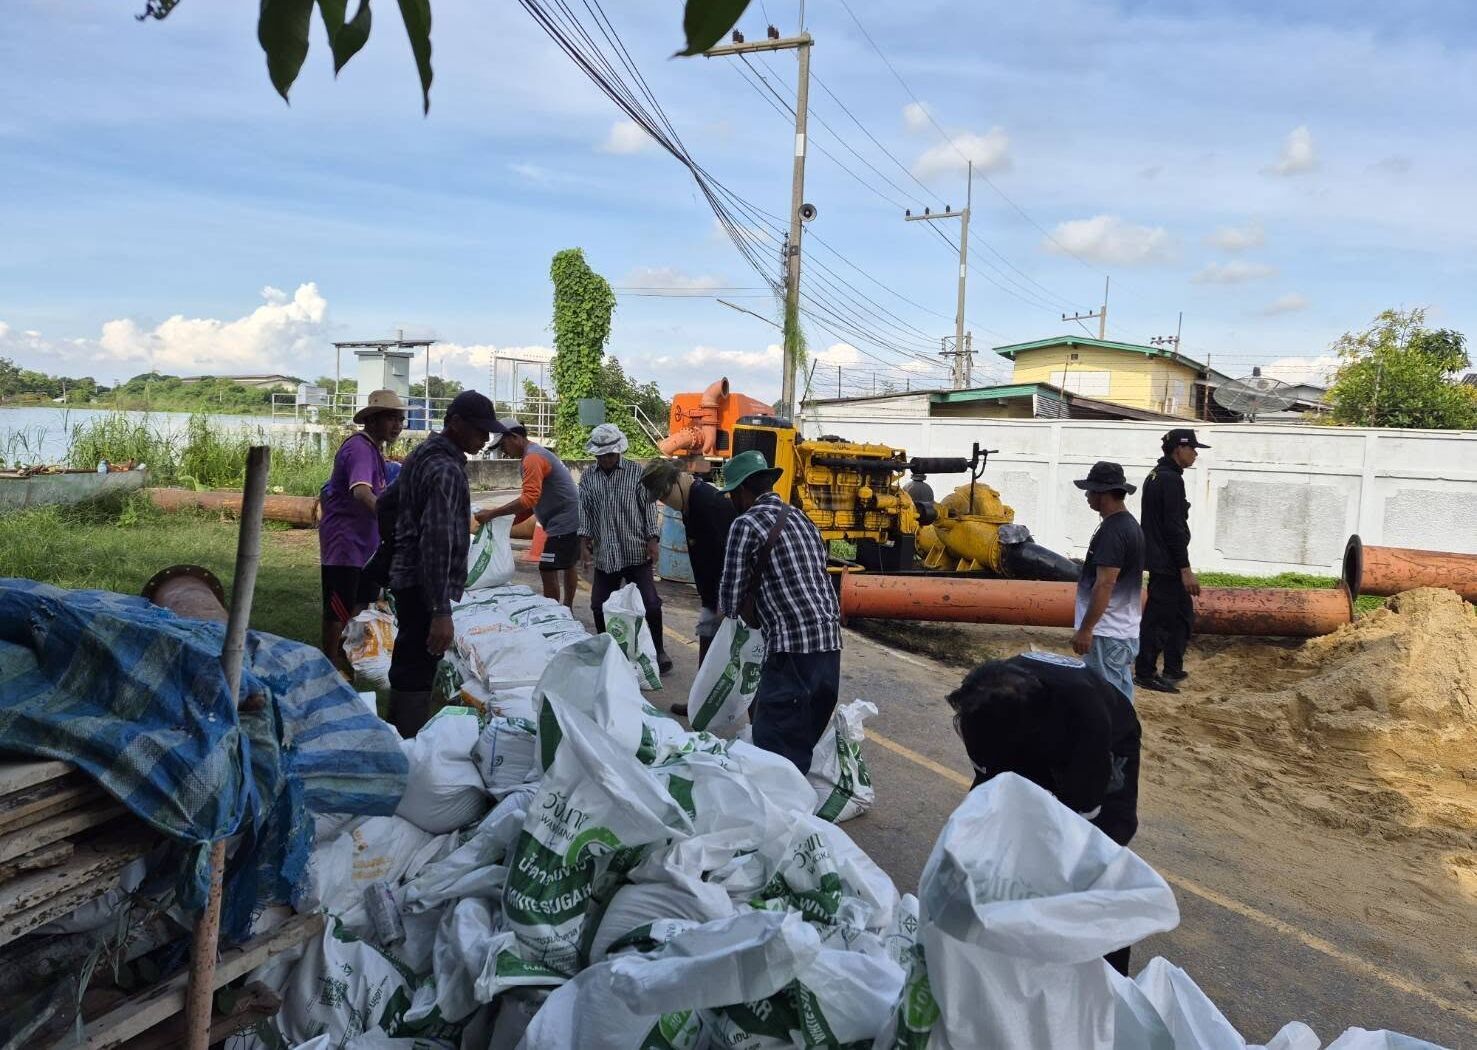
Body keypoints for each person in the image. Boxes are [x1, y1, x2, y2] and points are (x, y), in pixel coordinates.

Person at [946, 650, 1142, 973]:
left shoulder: (1088, 722)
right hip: (1028, 727)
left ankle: (1107, 972)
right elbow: (985, 793)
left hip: (1109, 742)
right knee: (992, 834)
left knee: (1096, 856)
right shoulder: (979, 705)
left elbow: (1083, 820)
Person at [386, 390, 505, 737]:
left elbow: (384, 505)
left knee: (408, 659)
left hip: (408, 577)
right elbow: (437, 543)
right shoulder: (446, 470)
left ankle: (397, 734)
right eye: (479, 430)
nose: (484, 438)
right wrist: (440, 611)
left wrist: (395, 549)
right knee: (419, 665)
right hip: (425, 586)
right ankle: (409, 740)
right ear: (455, 423)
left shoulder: (421, 454)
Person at [718, 450, 842, 773]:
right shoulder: (801, 518)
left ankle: (783, 801)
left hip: (792, 648)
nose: (732, 500)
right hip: (830, 642)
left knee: (775, 745)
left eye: (732, 493)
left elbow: (730, 598)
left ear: (742, 491)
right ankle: (795, 795)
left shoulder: (745, 524)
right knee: (801, 739)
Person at [318, 389, 405, 674]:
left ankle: (347, 654)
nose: (397, 425)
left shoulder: (373, 449)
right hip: (345, 542)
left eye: (400, 419)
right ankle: (330, 660)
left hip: (364, 543)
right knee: (339, 605)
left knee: (360, 600)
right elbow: (361, 492)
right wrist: (390, 521)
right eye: (391, 418)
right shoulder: (359, 449)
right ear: (372, 420)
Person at [641, 459, 738, 714]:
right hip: (710, 593)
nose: (664, 502)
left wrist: (724, 601)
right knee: (707, 645)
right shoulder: (689, 503)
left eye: (664, 495)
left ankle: (732, 713)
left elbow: (730, 556)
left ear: (677, 481)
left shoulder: (708, 503)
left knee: (737, 655)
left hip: (727, 595)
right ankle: (701, 703)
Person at [578, 423, 672, 675]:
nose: (606, 459)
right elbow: (584, 511)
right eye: (602, 455)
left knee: (651, 604)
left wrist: (652, 539)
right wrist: (584, 543)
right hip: (605, 554)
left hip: (635, 551)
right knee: (598, 605)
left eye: (610, 454)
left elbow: (648, 508)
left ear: (619, 451)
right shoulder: (588, 477)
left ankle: (659, 650)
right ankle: (607, 651)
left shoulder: (636, 473)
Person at [475, 420, 581, 610]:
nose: (503, 451)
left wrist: (492, 513)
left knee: (547, 568)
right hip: (570, 517)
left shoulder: (532, 458)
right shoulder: (535, 454)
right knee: (568, 564)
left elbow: (529, 499)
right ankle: (567, 608)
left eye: (503, 445)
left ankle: (555, 613)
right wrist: (507, 521)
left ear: (515, 437)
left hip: (563, 521)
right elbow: (532, 503)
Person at [1136, 428, 1211, 693]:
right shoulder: (1169, 480)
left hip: (1164, 560)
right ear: (1179, 449)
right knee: (1159, 620)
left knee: (1181, 616)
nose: (1195, 454)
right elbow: (1173, 528)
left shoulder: (1158, 475)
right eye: (1193, 448)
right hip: (1167, 563)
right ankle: (1145, 673)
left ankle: (1173, 668)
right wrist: (1185, 569)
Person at [1071, 461, 1145, 702]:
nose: (1087, 496)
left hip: (1107, 632)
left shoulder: (1113, 531)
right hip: (1121, 630)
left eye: (1090, 491)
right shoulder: (1129, 526)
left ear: (1102, 494)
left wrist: (1086, 629)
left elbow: (1105, 584)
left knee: (1105, 700)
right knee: (1119, 695)